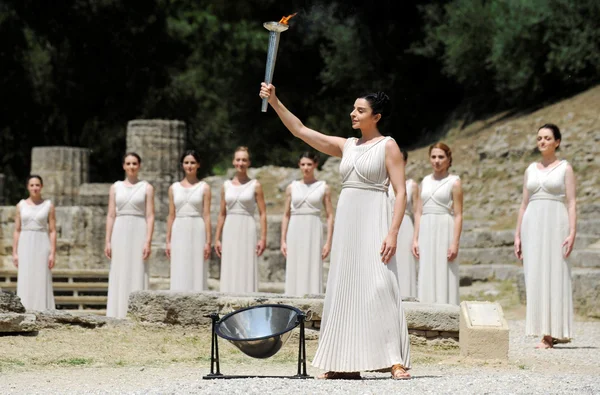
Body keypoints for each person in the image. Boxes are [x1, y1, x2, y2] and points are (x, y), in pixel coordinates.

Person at [259, 82, 411, 379]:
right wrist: (276, 101)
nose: (352, 113)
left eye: (360, 110)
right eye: (354, 108)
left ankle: (394, 359)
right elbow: (301, 130)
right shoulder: (347, 145)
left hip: (375, 218)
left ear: (376, 116)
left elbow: (401, 191)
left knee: (381, 284)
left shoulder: (388, 145)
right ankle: (344, 362)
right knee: (345, 286)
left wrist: (393, 232)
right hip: (348, 223)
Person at [514, 123, 576, 349]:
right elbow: (523, 204)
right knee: (535, 274)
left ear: (557, 142)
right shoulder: (530, 169)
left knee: (556, 273)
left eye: (547, 138)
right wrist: (518, 234)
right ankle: (543, 330)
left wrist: (572, 232)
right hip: (532, 225)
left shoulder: (565, 168)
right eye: (539, 138)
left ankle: (553, 333)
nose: (542, 142)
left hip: (556, 223)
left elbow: (571, 202)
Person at [105, 152, 155, 318]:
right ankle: (117, 312)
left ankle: (138, 313)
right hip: (119, 231)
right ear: (124, 166)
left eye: (134, 163)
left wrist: (148, 241)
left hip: (139, 230)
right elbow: (111, 215)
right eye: (128, 163)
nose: (132, 167)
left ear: (139, 165)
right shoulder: (115, 187)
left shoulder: (147, 187)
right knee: (119, 268)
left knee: (138, 268)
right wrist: (108, 241)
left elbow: (150, 216)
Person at [412, 143, 463, 305]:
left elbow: (459, 214)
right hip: (426, 228)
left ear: (448, 159)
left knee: (444, 269)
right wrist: (415, 239)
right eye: (433, 157)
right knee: (426, 269)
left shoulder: (454, 182)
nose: (437, 161)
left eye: (441, 157)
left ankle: (447, 310)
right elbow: (419, 211)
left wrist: (455, 243)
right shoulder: (425, 181)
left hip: (444, 227)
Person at [214, 146, 267, 293]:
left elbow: (263, 213)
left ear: (249, 162)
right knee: (230, 264)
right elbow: (222, 213)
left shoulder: (255, 185)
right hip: (230, 227)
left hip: (247, 226)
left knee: (246, 264)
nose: (241, 163)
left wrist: (263, 238)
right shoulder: (226, 186)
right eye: (238, 159)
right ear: (233, 161)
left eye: (244, 160)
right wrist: (217, 238)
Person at [281, 151, 334, 296]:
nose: (306, 168)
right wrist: (283, 240)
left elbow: (330, 216)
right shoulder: (291, 187)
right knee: (294, 266)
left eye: (309, 164)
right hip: (295, 229)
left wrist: (328, 242)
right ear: (299, 165)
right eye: (303, 164)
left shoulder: (324, 187)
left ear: (315, 165)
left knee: (312, 266)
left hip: (314, 229)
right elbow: (286, 215)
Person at [166, 150, 211, 291]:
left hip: (197, 228)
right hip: (179, 228)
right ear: (182, 165)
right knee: (180, 266)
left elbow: (207, 215)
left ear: (198, 165)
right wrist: (168, 241)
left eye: (192, 162)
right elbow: (171, 215)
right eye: (186, 162)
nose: (189, 165)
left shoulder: (204, 187)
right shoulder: (174, 188)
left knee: (197, 266)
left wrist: (208, 242)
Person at [12, 175, 56, 311]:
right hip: (25, 244)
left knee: (41, 277)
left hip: (42, 243)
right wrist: (14, 252)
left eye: (37, 185)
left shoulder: (48, 205)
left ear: (41, 186)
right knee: (26, 277)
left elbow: (53, 230)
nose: (35, 188)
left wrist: (53, 253)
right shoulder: (20, 205)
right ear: (27, 187)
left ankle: (43, 310)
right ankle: (25, 309)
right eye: (32, 185)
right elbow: (17, 230)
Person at [388, 148, 419, 298]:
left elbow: (418, 212)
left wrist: (416, 238)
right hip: (387, 224)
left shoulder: (412, 185)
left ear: (405, 162)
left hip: (405, 225)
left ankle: (407, 299)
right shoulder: (383, 183)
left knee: (405, 264)